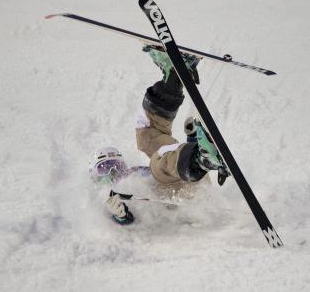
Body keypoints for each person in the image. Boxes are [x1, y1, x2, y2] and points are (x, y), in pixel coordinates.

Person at [89, 45, 222, 225]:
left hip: (187, 180)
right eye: (105, 169)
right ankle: (200, 158)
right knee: (157, 160)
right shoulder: (109, 199)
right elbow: (133, 226)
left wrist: (191, 140)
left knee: (146, 141)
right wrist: (121, 216)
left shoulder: (132, 176)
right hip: (185, 199)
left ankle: (174, 76)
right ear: (96, 178)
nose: (113, 172)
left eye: (115, 165)